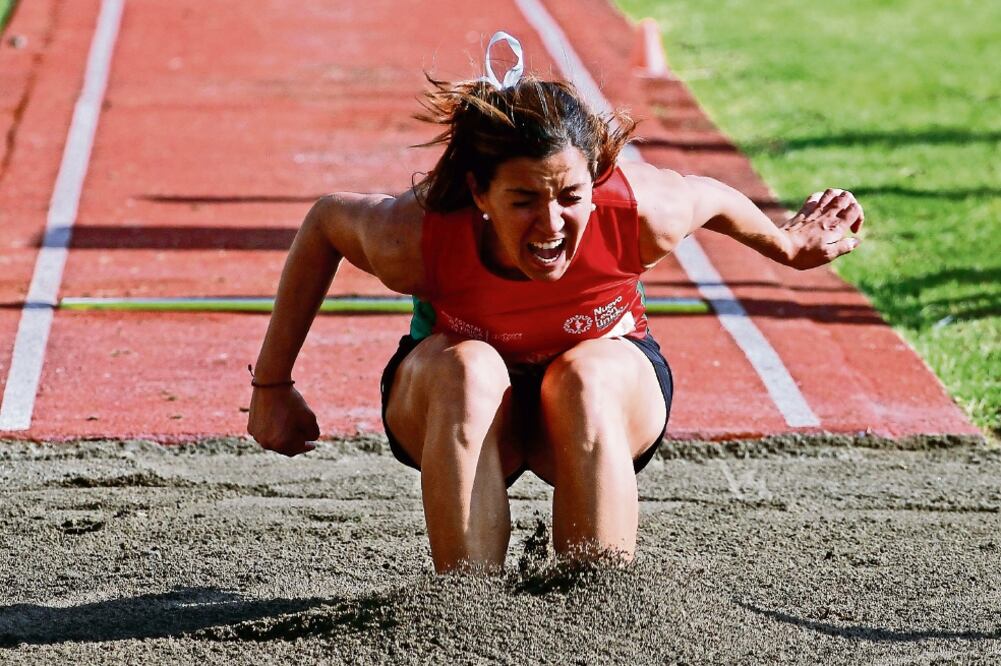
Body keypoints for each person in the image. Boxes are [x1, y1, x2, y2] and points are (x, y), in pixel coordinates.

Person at [247, 33, 863, 574]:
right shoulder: (417, 233)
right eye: (523, 200)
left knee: (585, 375)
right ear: (478, 193)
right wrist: (272, 386)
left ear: (593, 182)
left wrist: (787, 245)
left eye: (570, 195)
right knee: (469, 368)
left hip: (595, 399)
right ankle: (465, 613)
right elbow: (327, 222)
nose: (551, 224)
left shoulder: (641, 212)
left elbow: (711, 197)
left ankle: (597, 608)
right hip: (464, 404)